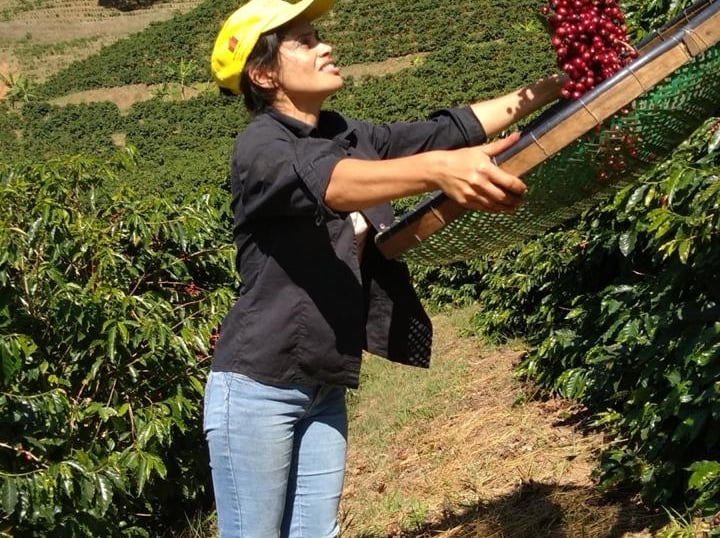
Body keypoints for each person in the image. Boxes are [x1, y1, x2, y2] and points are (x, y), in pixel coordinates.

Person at [203, 0, 566, 536]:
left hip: (325, 382)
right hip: (259, 387)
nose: (324, 45)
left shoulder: (348, 134)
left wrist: (557, 85)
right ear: (263, 73)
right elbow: (330, 184)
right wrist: (436, 172)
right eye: (304, 41)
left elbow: (449, 129)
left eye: (318, 34)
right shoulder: (261, 146)